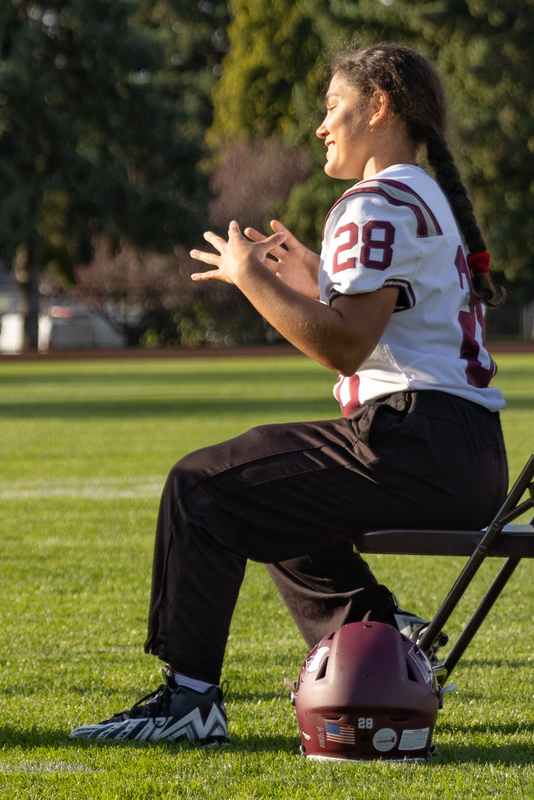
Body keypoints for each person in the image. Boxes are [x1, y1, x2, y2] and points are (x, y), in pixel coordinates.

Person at [72, 43, 508, 746]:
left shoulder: (375, 202)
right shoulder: (418, 192)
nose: (320, 126)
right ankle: (379, 635)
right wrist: (317, 283)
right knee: (264, 489)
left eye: (332, 106)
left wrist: (254, 279)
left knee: (201, 485)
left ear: (378, 106)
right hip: (463, 452)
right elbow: (393, 325)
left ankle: (188, 699)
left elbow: (343, 345)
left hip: (414, 443)